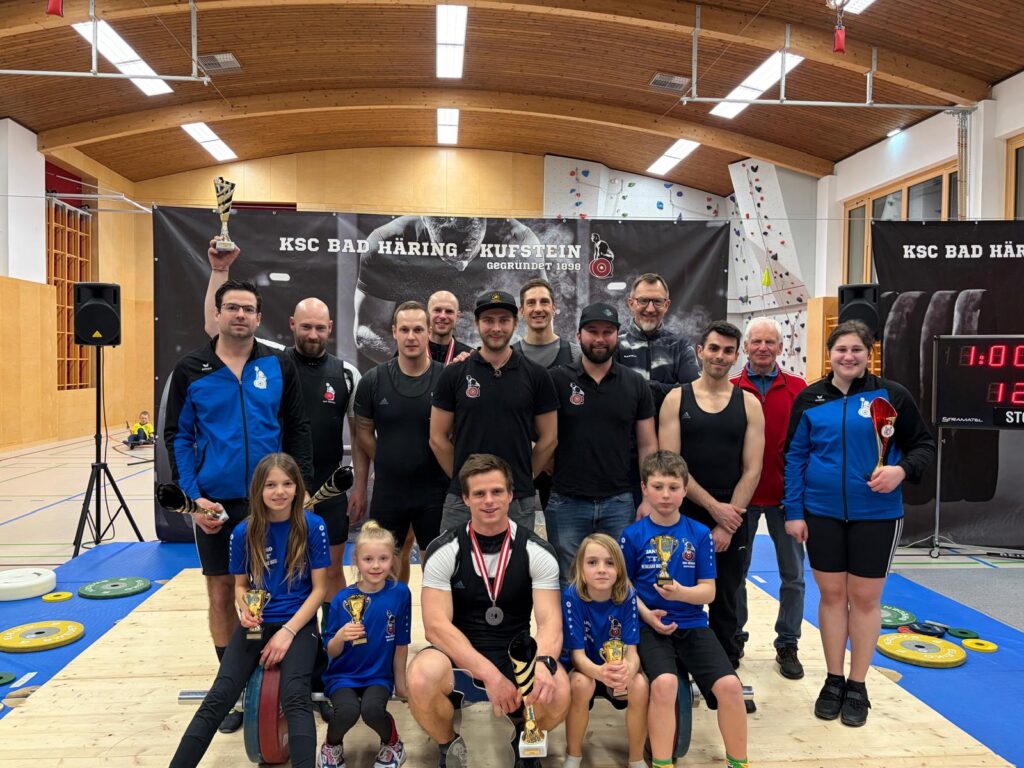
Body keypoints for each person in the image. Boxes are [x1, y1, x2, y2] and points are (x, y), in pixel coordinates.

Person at [165, 278, 313, 731]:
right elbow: (179, 437)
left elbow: (297, 428)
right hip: (217, 503)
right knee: (221, 594)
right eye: (232, 307)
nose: (241, 315)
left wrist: (301, 489)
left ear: (259, 317)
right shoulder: (191, 369)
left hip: (273, 501)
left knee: (286, 588)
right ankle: (232, 689)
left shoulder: (278, 364)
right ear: (218, 313)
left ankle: (293, 683)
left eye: (248, 309)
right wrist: (194, 500)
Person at [203, 243, 370, 633]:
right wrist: (219, 271)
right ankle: (272, 649)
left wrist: (360, 487)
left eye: (320, 327)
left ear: (331, 328)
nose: (313, 334)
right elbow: (216, 328)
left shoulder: (347, 374)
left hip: (327, 492)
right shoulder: (271, 361)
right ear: (292, 325)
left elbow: (361, 438)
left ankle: (333, 651)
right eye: (306, 326)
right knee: (275, 578)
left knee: (331, 576)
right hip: (280, 492)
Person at [783, 320, 934, 728]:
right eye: (841, 349)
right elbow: (794, 457)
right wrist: (794, 512)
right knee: (832, 597)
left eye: (856, 350)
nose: (848, 356)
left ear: (870, 354)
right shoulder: (810, 398)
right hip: (821, 513)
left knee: (865, 601)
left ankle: (858, 685)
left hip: (877, 516)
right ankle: (833, 680)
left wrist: (901, 471)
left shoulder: (892, 395)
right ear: (829, 353)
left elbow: (923, 445)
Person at [406, 453, 570, 768]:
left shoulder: (537, 551)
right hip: (459, 656)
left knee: (559, 688)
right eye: (479, 493)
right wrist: (491, 676)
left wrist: (543, 662)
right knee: (420, 677)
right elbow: (436, 627)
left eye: (497, 491)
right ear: (465, 499)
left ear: (511, 495)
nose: (489, 501)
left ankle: (525, 735)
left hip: (515, 656)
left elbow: (551, 623)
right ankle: (448, 745)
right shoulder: (445, 549)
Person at [169, 453, 328, 768]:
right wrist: (245, 609)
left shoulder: (313, 526)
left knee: (296, 697)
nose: (279, 491)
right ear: (259, 490)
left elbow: (320, 590)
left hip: (298, 624)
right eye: (271, 485)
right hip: (258, 623)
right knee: (219, 696)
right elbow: (240, 587)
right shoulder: (243, 531)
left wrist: (287, 632)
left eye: (287, 484)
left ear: (297, 488)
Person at [620, 451, 748, 768]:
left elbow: (709, 591)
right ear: (644, 488)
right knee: (664, 685)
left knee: (731, 687)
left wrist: (681, 592)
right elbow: (623, 588)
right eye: (658, 487)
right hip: (649, 626)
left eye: (673, 487)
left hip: (692, 623)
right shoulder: (631, 536)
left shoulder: (700, 534)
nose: (666, 495)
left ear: (685, 489)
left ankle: (739, 762)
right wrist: (647, 615)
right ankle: (663, 763)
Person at [658, 321, 764, 674]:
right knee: (678, 590)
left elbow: (753, 469)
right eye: (714, 348)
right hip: (686, 511)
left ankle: (724, 670)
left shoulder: (749, 403)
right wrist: (714, 509)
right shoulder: (676, 399)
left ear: (736, 356)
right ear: (700, 351)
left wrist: (727, 521)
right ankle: (678, 669)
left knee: (726, 595)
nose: (720, 356)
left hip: (733, 513)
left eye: (728, 351)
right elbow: (672, 466)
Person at [430, 290, 559, 533]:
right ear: (477, 324)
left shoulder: (537, 375)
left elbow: (549, 438)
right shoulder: (454, 374)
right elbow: (437, 438)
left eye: (504, 320)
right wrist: (464, 479)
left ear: (515, 323)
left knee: (516, 559)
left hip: (517, 499)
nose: (496, 328)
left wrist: (523, 477)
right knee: (453, 558)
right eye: (488, 320)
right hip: (463, 500)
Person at [547, 302, 657, 584]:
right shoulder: (556, 380)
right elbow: (542, 436)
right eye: (592, 331)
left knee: (617, 581)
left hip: (619, 502)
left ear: (617, 336)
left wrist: (648, 498)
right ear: (578, 335)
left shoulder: (635, 384)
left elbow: (647, 445)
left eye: (607, 332)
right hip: (567, 501)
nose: (600, 338)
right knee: (569, 582)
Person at [354, 216, 539, 366]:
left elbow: (536, 329)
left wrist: (492, 366)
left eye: (469, 252)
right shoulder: (387, 241)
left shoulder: (519, 241)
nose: (461, 266)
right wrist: (429, 370)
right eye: (449, 256)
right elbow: (368, 330)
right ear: (425, 220)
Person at [731, 317, 808, 679]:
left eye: (770, 342)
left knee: (793, 576)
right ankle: (734, 637)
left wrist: (798, 498)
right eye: (756, 342)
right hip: (741, 499)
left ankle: (788, 643)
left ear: (781, 347)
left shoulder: (799, 389)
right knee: (735, 574)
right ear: (745, 347)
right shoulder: (730, 388)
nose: (763, 348)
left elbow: (806, 447)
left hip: (786, 499)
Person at [354, 301, 448, 583]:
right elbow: (362, 433)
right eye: (404, 330)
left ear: (429, 332)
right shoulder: (373, 381)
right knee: (385, 572)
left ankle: (434, 616)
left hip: (435, 494)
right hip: (389, 493)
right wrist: (386, 459)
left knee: (438, 573)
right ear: (394, 332)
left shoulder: (447, 379)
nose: (411, 337)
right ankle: (394, 613)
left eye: (418, 329)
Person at [320, 521, 411, 768]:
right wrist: (340, 636)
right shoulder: (341, 599)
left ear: (392, 560)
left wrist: (401, 683)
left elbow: (401, 643)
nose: (376, 565)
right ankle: (331, 745)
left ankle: (393, 744)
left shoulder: (401, 593)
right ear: (357, 561)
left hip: (378, 676)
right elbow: (330, 650)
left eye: (383, 558)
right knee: (347, 712)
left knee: (372, 711)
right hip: (343, 676)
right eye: (368, 559)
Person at [561, 533, 648, 768]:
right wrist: (600, 673)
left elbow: (632, 652)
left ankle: (637, 759)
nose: (601, 569)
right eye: (592, 562)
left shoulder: (628, 595)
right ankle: (574, 755)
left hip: (615, 668)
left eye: (610, 563)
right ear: (580, 567)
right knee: (580, 685)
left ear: (619, 569)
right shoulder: (571, 596)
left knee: (640, 685)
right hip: (586, 668)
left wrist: (628, 670)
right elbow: (577, 656)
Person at [615, 273, 700, 509]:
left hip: (672, 460)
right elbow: (612, 394)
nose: (650, 308)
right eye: (643, 301)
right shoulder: (616, 344)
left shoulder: (680, 345)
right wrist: (667, 390)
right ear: (631, 303)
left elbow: (692, 392)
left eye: (657, 302)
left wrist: (642, 387)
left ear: (667, 305)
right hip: (623, 460)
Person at [513, 278, 579, 512]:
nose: (538, 308)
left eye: (544, 302)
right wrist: (537, 451)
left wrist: (552, 452)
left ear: (554, 307)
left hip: (565, 466)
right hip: (521, 461)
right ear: (521, 311)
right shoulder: (509, 357)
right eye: (531, 303)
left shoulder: (576, 355)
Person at [428, 290, 475, 365]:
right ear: (428, 314)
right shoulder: (412, 351)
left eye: (449, 311)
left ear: (457, 317)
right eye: (437, 310)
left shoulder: (470, 357)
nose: (443, 316)